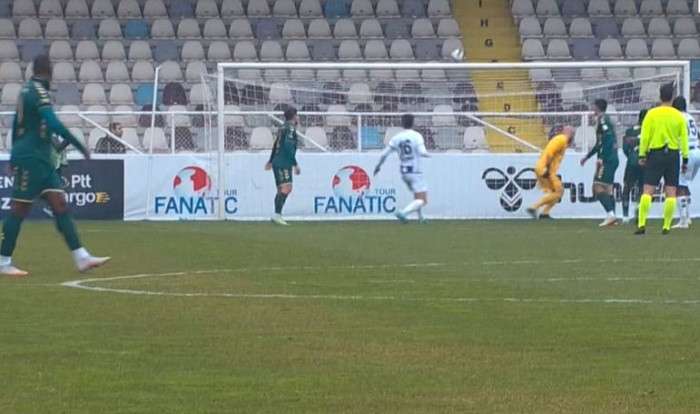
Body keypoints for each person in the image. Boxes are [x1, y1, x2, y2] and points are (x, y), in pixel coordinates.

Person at [0, 55, 110, 276]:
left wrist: (13, 156)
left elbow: (16, 125)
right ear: (48, 71)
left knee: (59, 204)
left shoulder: (26, 91)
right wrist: (79, 145)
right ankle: (3, 261)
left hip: (41, 159)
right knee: (19, 209)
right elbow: (52, 122)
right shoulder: (38, 92)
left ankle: (81, 257)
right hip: (31, 159)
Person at [636, 83, 689, 235]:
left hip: (656, 153)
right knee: (671, 191)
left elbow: (645, 136)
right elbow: (683, 139)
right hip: (672, 154)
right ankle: (666, 226)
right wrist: (685, 158)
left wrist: (642, 154)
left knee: (648, 190)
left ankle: (642, 224)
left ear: (660, 96)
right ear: (672, 97)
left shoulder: (651, 114)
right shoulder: (678, 115)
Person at [374, 113, 430, 223]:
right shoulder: (416, 136)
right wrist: (430, 155)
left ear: (402, 123)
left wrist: (378, 166)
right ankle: (403, 212)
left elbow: (384, 154)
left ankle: (421, 218)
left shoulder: (397, 137)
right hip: (415, 171)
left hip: (404, 172)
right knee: (423, 200)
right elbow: (422, 152)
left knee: (417, 195)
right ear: (413, 123)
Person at [580, 99, 620, 227]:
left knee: (597, 186)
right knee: (608, 189)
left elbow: (608, 139)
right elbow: (599, 144)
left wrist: (601, 157)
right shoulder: (603, 120)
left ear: (597, 107)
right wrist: (587, 157)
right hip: (613, 158)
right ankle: (613, 218)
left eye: (593, 106)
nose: (592, 109)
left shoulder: (603, 120)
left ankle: (610, 214)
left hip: (607, 159)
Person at [526, 125, 575, 219]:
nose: (573, 135)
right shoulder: (561, 139)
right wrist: (547, 169)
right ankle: (534, 207)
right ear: (569, 132)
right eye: (573, 133)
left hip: (543, 168)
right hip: (546, 169)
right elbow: (549, 153)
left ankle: (545, 213)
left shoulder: (562, 140)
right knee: (559, 192)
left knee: (556, 192)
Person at [265, 107, 300, 226]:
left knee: (281, 189)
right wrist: (295, 164)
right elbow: (287, 146)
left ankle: (277, 215)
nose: (298, 117)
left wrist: (271, 160)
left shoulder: (282, 127)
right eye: (297, 115)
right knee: (287, 188)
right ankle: (277, 215)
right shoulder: (290, 128)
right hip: (283, 162)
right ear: (294, 117)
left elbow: (276, 144)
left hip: (278, 161)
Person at [671, 96, 700, 229]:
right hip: (697, 150)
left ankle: (683, 220)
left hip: (686, 153)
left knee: (679, 185)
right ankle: (687, 217)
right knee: (685, 183)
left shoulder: (677, 118)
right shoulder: (690, 117)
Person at [621, 109, 648, 223]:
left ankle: (625, 216)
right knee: (642, 188)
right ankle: (638, 209)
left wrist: (632, 156)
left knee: (627, 187)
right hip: (645, 162)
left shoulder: (630, 131)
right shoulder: (650, 130)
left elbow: (625, 148)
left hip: (632, 162)